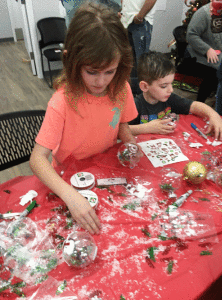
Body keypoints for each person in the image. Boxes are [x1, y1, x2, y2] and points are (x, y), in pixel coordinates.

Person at [30, 2, 138, 235]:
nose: (101, 82)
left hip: (104, 172)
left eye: (110, 71)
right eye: (92, 72)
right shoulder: (62, 102)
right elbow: (38, 159)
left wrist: (130, 143)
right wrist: (69, 195)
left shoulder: (120, 88)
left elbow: (122, 126)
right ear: (71, 61)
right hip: (67, 180)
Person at [129, 51, 222, 140]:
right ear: (145, 86)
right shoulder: (135, 105)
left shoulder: (170, 98)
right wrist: (146, 128)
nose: (171, 90)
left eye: (171, 83)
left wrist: (214, 115)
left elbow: (194, 105)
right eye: (164, 86)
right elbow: (119, 130)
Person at [182, 2, 222, 103]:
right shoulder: (203, 13)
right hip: (198, 54)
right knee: (216, 71)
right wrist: (207, 49)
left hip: (218, 53)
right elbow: (191, 35)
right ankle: (200, 103)